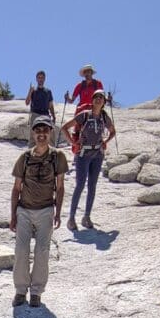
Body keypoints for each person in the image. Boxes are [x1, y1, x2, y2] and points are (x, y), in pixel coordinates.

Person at [10, 116, 68, 309]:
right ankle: (20, 290)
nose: (41, 134)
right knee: (21, 251)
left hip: (45, 210)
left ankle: (36, 292)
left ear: (50, 132)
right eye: (38, 131)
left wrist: (58, 212)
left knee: (42, 251)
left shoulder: (58, 156)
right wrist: (13, 215)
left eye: (45, 130)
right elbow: (16, 188)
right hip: (24, 210)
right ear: (33, 134)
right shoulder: (24, 158)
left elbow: (60, 187)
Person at [62, 90, 115, 230]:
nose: (98, 99)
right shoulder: (84, 115)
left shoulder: (104, 117)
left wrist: (106, 141)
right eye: (96, 97)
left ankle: (86, 217)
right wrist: (73, 144)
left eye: (101, 98)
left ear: (104, 102)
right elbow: (64, 128)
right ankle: (71, 218)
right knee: (80, 185)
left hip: (97, 154)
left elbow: (113, 131)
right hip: (83, 154)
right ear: (92, 100)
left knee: (92, 185)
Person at [25, 70, 56, 134]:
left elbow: (50, 105)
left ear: (44, 79)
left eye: (42, 78)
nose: (40, 79)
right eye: (39, 77)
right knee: (33, 135)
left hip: (45, 115)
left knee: (47, 135)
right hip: (35, 114)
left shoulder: (48, 91)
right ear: (36, 79)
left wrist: (53, 116)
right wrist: (30, 91)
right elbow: (27, 103)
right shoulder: (33, 90)